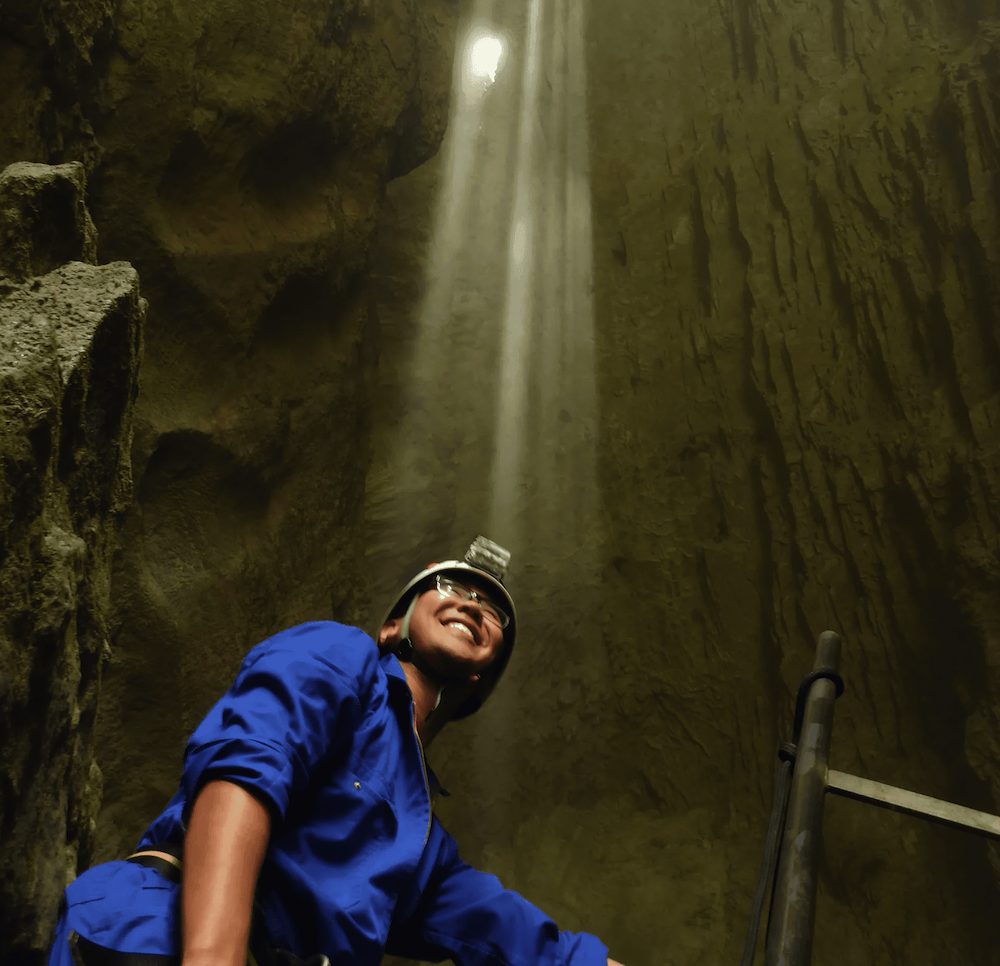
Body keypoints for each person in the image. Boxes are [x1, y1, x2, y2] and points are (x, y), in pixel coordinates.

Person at [49, 536, 623, 965]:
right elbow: (245, 772)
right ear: (392, 625)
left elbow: (519, 938)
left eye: (492, 609)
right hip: (159, 938)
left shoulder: (421, 843)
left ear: (483, 677)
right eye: (452, 588)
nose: (474, 604)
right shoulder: (342, 657)